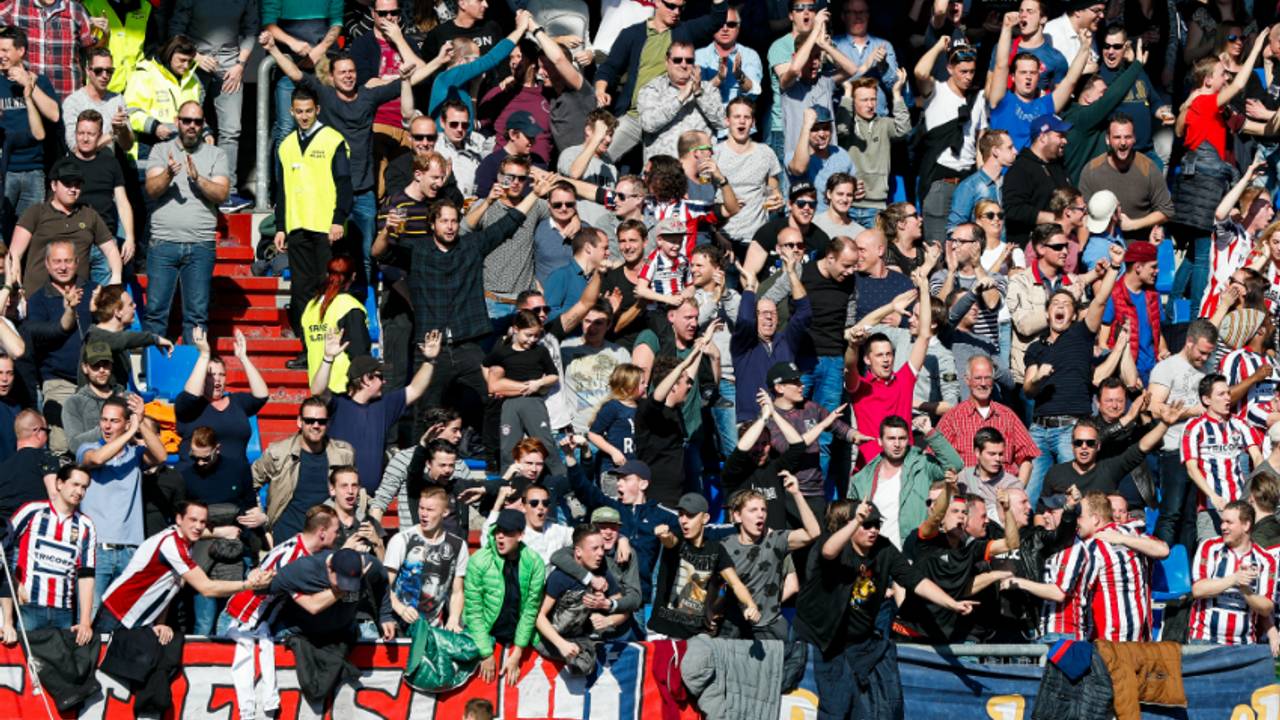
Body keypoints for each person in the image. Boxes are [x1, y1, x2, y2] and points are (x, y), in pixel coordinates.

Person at [797, 499, 976, 719]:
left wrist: (952, 603)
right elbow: (828, 552)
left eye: (877, 525)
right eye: (867, 525)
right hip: (826, 640)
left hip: (860, 640)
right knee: (835, 709)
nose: (873, 530)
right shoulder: (837, 543)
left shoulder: (884, 548)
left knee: (879, 708)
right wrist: (856, 521)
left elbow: (915, 580)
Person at [1022, 244, 1126, 504]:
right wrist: (1038, 378)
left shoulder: (1080, 334)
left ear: (1074, 314)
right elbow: (1028, 389)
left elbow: (1100, 300)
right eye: (1054, 303)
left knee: (1079, 496)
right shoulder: (1036, 348)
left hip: (1071, 429)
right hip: (1040, 428)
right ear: (1047, 313)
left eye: (1066, 304)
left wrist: (1114, 267)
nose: (1059, 307)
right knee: (1030, 496)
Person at [218, 505, 339, 720]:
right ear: (322, 532)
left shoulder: (299, 546)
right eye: (335, 531)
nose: (337, 536)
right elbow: (312, 605)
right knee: (235, 697)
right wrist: (343, 591)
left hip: (255, 622)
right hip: (240, 622)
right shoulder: (294, 558)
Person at [94, 501, 275, 636]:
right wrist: (248, 585)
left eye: (203, 522)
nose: (198, 526)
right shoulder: (171, 545)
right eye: (193, 520)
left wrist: (160, 623)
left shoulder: (185, 542)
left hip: (136, 621)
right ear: (179, 519)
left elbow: (168, 586)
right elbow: (207, 588)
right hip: (116, 615)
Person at [273, 85, 352, 363]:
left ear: (317, 110)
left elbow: (343, 182)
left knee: (328, 288)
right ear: (291, 112)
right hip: (298, 228)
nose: (304, 116)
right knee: (300, 294)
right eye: (299, 112)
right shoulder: (286, 145)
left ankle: (334, 348)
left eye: (309, 111)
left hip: (325, 229)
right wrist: (280, 226)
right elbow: (282, 191)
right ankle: (308, 351)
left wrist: (338, 218)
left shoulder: (332, 139)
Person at [309, 329, 440, 494]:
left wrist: (430, 360)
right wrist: (328, 358)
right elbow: (317, 391)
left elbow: (415, 389)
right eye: (380, 376)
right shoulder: (337, 404)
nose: (384, 381)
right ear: (365, 379)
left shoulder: (384, 405)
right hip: (336, 496)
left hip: (368, 499)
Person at [142, 100, 230, 343]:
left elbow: (221, 194)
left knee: (197, 316)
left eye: (198, 122)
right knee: (156, 313)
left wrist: (197, 178)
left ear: (203, 125)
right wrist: (169, 174)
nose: (192, 126)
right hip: (163, 243)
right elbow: (151, 189)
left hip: (200, 245)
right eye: (187, 120)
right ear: (177, 121)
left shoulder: (216, 154)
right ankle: (154, 375)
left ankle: (195, 375)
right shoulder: (161, 151)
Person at [896, 477, 1021, 642]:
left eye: (964, 512)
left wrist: (1007, 510)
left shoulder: (970, 548)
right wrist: (948, 488)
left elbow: (1011, 543)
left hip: (942, 637)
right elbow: (934, 518)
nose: (961, 516)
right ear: (942, 518)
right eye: (955, 511)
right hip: (910, 632)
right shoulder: (927, 541)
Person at [77, 395, 167, 610]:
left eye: (114, 421)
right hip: (96, 549)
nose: (107, 426)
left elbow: (161, 456)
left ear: (127, 422)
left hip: (130, 550)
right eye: (104, 420)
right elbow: (97, 459)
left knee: (124, 617)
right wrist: (129, 433)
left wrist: (141, 420)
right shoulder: (87, 448)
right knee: (90, 617)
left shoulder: (135, 454)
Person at [169, 0, 258, 209]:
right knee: (188, 125)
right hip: (195, 61)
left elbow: (251, 30)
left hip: (231, 64)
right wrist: (195, 56)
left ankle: (227, 191)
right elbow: (176, 29)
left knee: (231, 130)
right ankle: (186, 186)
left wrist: (240, 64)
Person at [846, 268, 934, 466]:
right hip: (870, 469)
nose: (886, 359)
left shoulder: (904, 379)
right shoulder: (860, 386)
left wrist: (925, 290)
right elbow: (851, 358)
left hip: (904, 467)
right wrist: (891, 307)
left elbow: (924, 336)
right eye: (879, 355)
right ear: (867, 360)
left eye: (889, 354)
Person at [716, 478, 821, 640]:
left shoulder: (776, 540)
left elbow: (813, 533)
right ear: (737, 516)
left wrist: (796, 494)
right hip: (734, 625)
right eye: (753, 510)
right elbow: (714, 583)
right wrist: (711, 608)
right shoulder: (725, 545)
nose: (760, 514)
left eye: (763, 510)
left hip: (769, 627)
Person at [0, 465, 96, 643]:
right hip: (29, 608)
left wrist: (84, 622)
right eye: (75, 484)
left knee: (59, 670)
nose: (79, 491)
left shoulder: (86, 525)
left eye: (84, 487)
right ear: (59, 483)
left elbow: (87, 576)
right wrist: (14, 585)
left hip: (64, 612)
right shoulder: (32, 511)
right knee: (30, 667)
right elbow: (2, 553)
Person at [7, 159, 120, 299]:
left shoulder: (89, 214)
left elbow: (110, 248)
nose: (73, 189)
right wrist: (16, 287)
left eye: (77, 185)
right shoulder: (36, 212)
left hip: (78, 298)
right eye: (67, 184)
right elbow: (14, 254)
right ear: (54, 185)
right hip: (37, 298)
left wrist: (116, 278)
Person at [913, 36, 989, 243]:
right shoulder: (936, 91)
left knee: (967, 245)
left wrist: (981, 179)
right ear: (950, 69)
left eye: (972, 72)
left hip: (967, 180)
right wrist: (938, 46)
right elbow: (920, 72)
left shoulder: (978, 98)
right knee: (937, 245)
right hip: (940, 180)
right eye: (963, 72)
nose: (968, 77)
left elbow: (980, 140)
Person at [849, 414, 964, 548]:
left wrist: (929, 432)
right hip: (876, 554)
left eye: (902, 438)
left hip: (912, 551)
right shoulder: (861, 479)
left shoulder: (922, 464)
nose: (897, 444)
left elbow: (955, 464)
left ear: (908, 440)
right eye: (891, 438)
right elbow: (852, 521)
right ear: (880, 441)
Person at [252, 397, 356, 543]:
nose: (316, 425)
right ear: (299, 422)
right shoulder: (278, 453)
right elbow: (249, 482)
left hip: (329, 538)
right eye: (309, 420)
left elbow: (355, 490)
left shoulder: (344, 454)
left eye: (321, 421)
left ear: (328, 424)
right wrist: (261, 515)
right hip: (288, 538)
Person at [986, 11, 1091, 151]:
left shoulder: (1045, 105)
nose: (1028, 76)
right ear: (1012, 76)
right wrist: (1006, 28)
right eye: (1023, 72)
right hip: (1004, 170)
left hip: (1032, 170)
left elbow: (1070, 81)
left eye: (1033, 73)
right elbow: (1001, 66)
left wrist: (1084, 48)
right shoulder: (1002, 101)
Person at [464, 508, 546, 686]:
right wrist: (485, 652)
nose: (500, 536)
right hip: (486, 636)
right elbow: (473, 611)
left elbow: (530, 611)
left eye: (507, 532)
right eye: (498, 530)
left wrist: (517, 653)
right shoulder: (478, 561)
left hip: (521, 638)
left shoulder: (534, 563)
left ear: (520, 535)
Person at [1076, 490, 1169, 641]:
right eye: (1112, 511)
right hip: (1104, 631)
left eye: (1122, 511)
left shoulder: (1132, 534)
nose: (1117, 515)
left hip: (1128, 631)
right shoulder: (1088, 543)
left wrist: (1121, 538)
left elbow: (1163, 550)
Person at [1183, 374, 1264, 539]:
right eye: (1221, 394)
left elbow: (1257, 457)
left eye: (1228, 393)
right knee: (1211, 554)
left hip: (1241, 505)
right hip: (1210, 507)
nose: (1228, 398)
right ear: (1207, 400)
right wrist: (1213, 496)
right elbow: (1191, 468)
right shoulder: (1194, 427)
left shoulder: (1241, 423)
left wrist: (1257, 490)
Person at [534, 523, 625, 670]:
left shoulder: (603, 573)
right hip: (550, 639)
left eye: (602, 547)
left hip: (580, 639)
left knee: (587, 664)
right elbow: (538, 616)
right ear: (578, 552)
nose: (601, 553)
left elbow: (624, 609)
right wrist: (561, 644)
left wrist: (608, 619)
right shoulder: (560, 577)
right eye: (595, 548)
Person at [1189, 501, 1277, 645]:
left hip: (1243, 644)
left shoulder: (1266, 560)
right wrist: (1234, 579)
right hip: (1204, 638)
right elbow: (1198, 590)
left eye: (1229, 522)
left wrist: (1246, 591)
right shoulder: (1210, 547)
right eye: (1222, 522)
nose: (1223, 527)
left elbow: (1266, 608)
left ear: (1246, 525)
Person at [384, 487, 468, 634]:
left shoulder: (457, 545)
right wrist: (400, 608)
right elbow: (384, 586)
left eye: (430, 510)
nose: (423, 514)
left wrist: (454, 618)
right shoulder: (402, 540)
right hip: (399, 626)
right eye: (421, 508)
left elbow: (457, 592)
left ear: (445, 512)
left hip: (433, 629)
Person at [1078, 114, 1176, 238]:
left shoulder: (1148, 168)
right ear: (1108, 140)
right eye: (1117, 137)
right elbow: (1083, 215)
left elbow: (1166, 211)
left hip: (1138, 247)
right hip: (1102, 247)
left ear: (1134, 138)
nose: (1123, 142)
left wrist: (1133, 225)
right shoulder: (1091, 170)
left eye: (1128, 137)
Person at [0, 26, 58, 235]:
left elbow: (54, 114)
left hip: (34, 169)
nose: (1, 55)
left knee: (31, 234)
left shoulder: (39, 80)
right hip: (4, 172)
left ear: (21, 51)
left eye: (6, 50)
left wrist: (29, 87)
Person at [636, 40, 728, 163]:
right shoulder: (652, 89)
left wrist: (699, 93)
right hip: (663, 170)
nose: (683, 65)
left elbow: (721, 123)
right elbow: (648, 124)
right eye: (677, 60)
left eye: (689, 61)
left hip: (700, 170)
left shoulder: (709, 90)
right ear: (667, 61)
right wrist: (681, 97)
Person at [60, 48, 133, 154]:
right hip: (81, 168)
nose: (105, 76)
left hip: (108, 167)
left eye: (109, 71)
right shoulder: (73, 102)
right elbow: (76, 149)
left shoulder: (117, 100)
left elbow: (128, 146)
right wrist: (112, 134)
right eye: (98, 71)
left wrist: (122, 130)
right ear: (88, 71)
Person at [948, 129, 1016, 233]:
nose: (1016, 151)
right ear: (995, 151)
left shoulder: (1008, 183)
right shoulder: (970, 186)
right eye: (1010, 148)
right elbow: (954, 229)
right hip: (981, 247)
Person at [62, 341, 124, 451]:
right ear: (85, 368)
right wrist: (109, 428)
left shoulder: (126, 397)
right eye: (95, 365)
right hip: (93, 463)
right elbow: (74, 445)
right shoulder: (74, 403)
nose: (101, 370)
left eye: (106, 364)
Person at [0, 411, 58, 524]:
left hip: (5, 533)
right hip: (34, 529)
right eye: (47, 431)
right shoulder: (45, 458)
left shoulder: (3, 468)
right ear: (37, 431)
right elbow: (54, 495)